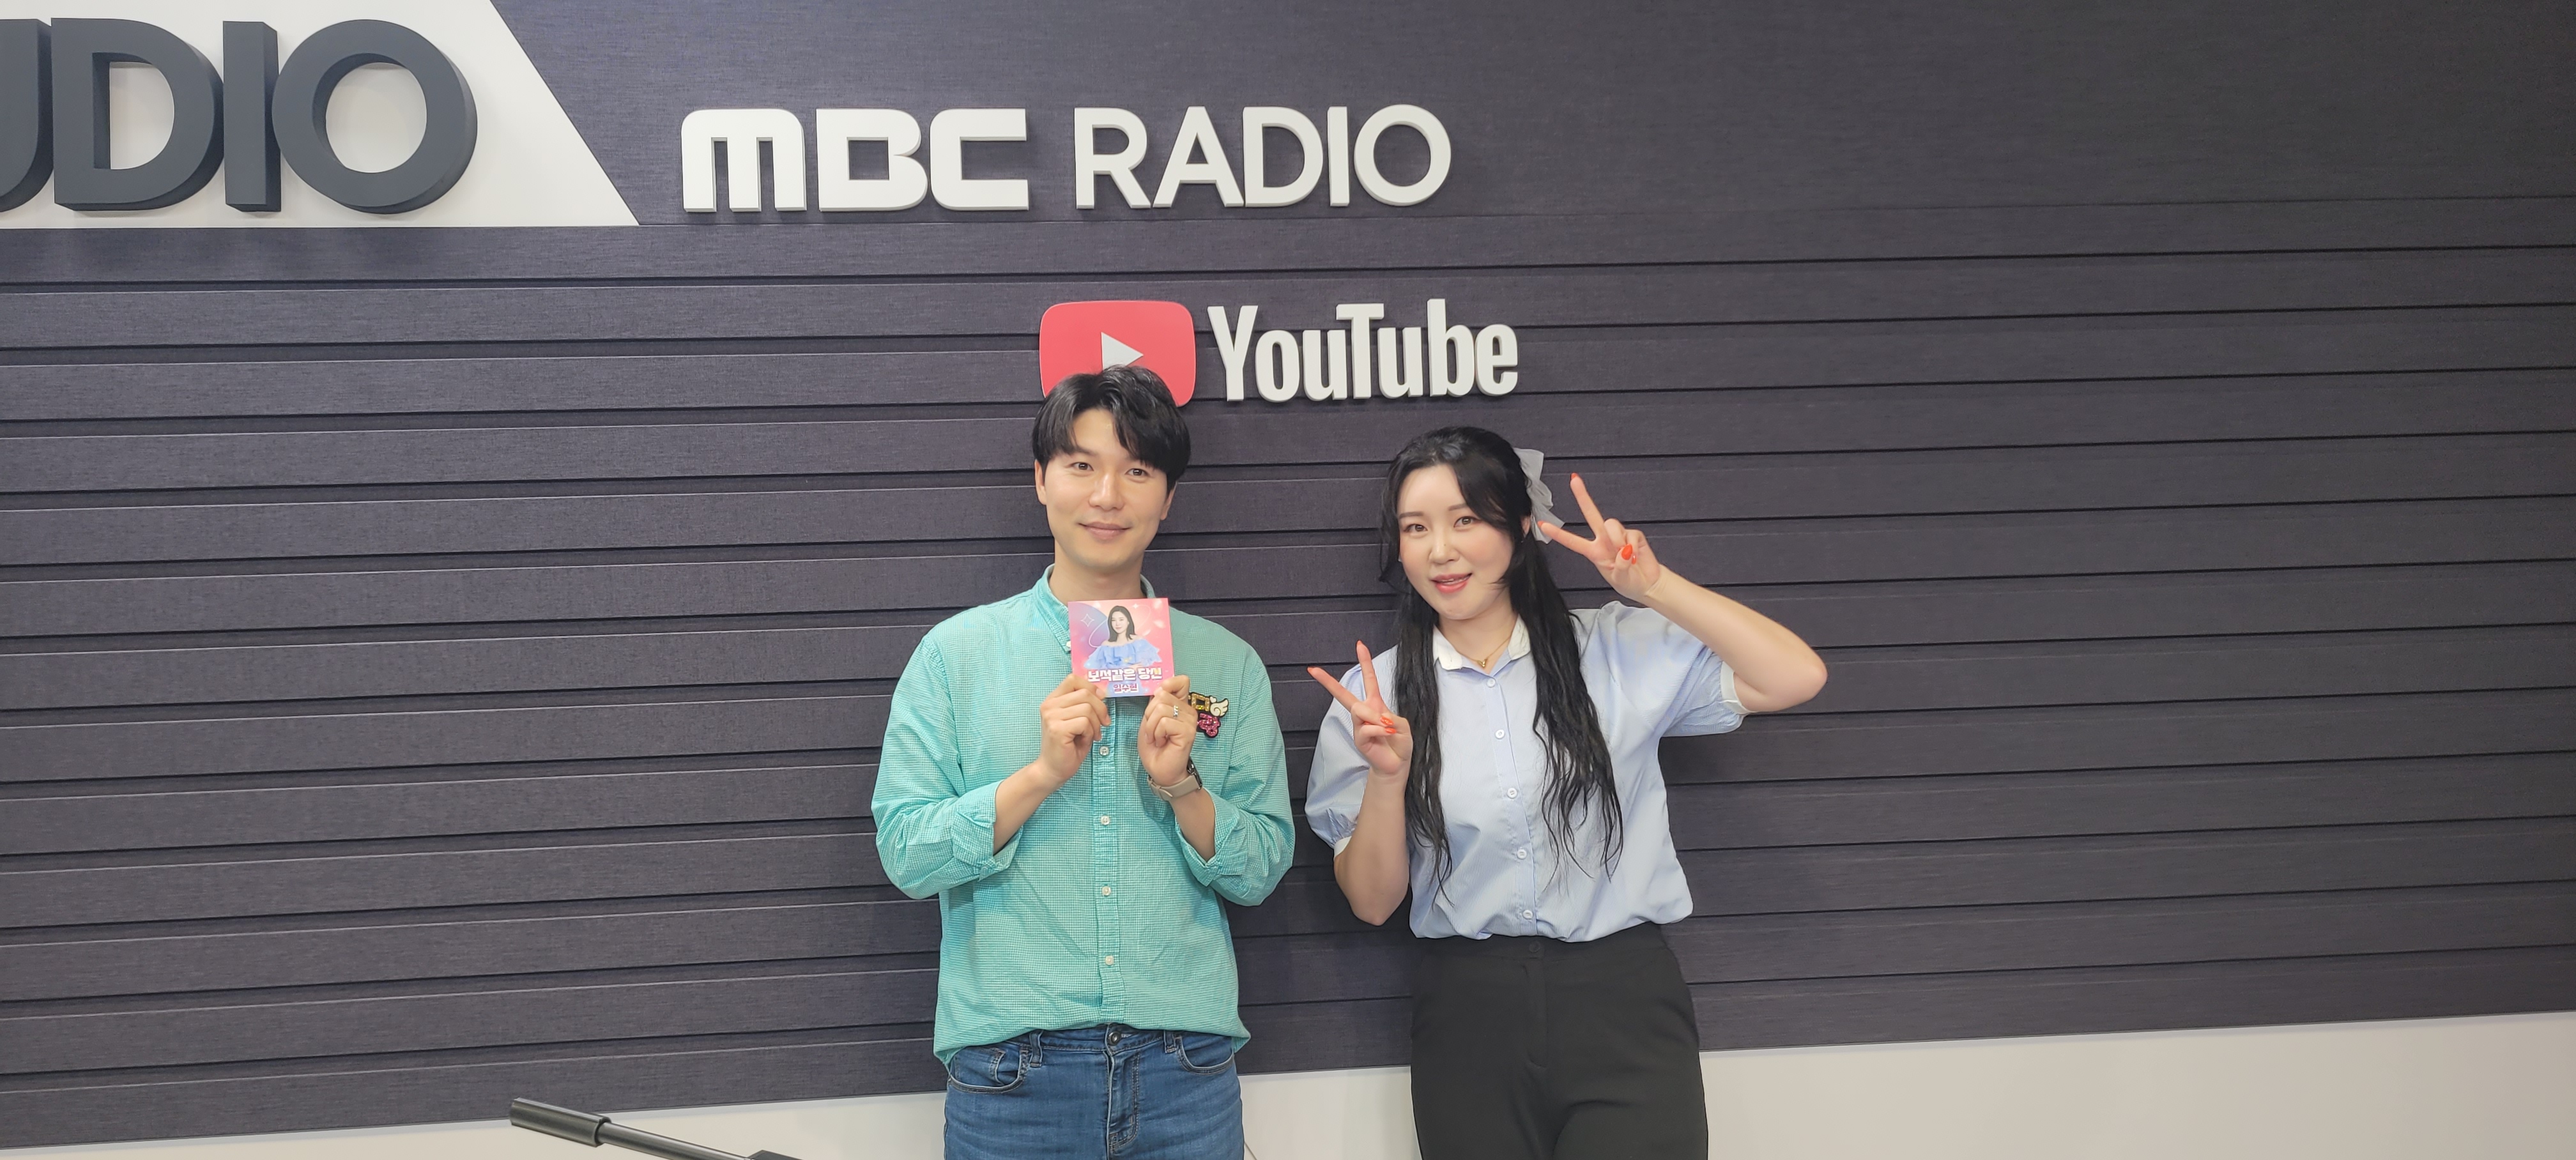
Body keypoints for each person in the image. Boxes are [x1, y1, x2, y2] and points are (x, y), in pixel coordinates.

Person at [1305, 426, 1828, 1160]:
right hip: (1467, 1015)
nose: (1440, 550)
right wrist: (1390, 780)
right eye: (1416, 528)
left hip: (1623, 999)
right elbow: (1371, 901)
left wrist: (1654, 588)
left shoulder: (1613, 648)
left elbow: (1795, 675)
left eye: (1465, 519)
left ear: (1521, 524)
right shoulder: (1373, 696)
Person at [874, 365, 1294, 1160]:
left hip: (1186, 1066)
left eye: (1137, 471)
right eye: (1081, 465)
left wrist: (1182, 787)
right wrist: (1039, 777)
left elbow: (1263, 867)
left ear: (1167, 498)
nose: (1108, 495)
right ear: (1040, 480)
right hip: (1011, 1071)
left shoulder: (1224, 663)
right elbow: (906, 853)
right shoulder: (956, 656)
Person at [1083, 603, 1163, 671]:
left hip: (1135, 682)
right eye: (1113, 620)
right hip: (1112, 683)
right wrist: (1129, 669)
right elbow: (1102, 669)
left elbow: (1144, 666)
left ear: (1128, 621)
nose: (1117, 624)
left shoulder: (1139, 641)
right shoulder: (1106, 645)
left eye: (1121, 620)